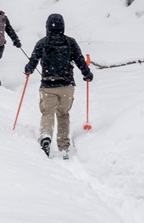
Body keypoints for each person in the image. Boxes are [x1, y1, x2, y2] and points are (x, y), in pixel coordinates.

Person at [24, 13, 93, 158]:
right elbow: (80, 60)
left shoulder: (42, 42)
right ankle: (63, 146)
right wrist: (87, 74)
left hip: (48, 85)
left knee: (47, 113)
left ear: (47, 26)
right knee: (63, 114)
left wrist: (28, 69)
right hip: (67, 86)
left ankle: (45, 137)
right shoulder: (70, 42)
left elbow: (33, 60)